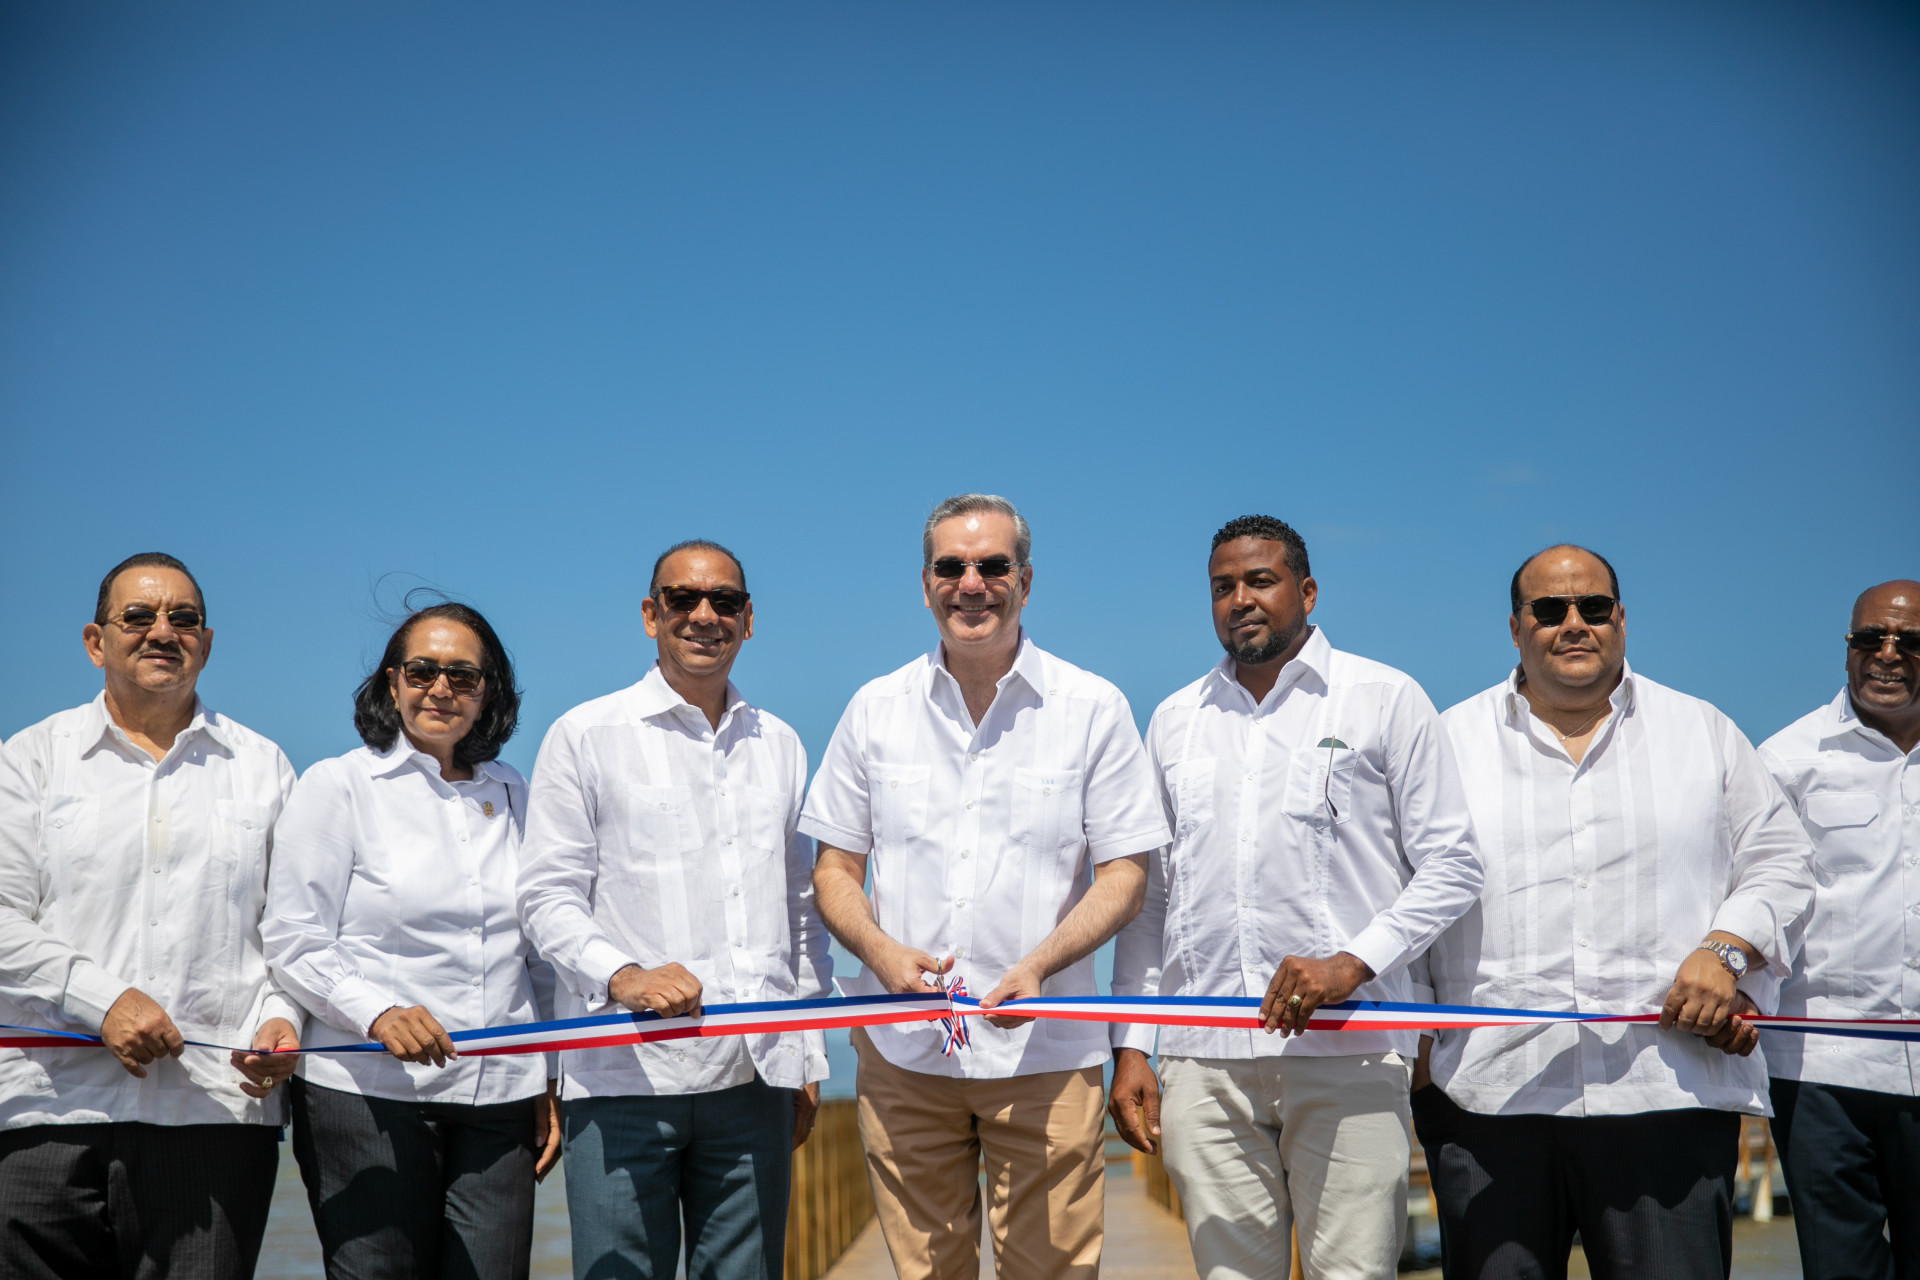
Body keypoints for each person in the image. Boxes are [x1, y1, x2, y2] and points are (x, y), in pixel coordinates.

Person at [1417, 544, 1815, 1280]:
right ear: (1515, 627)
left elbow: (1783, 862)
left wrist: (1727, 951)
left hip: (1668, 1093)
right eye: (1549, 610)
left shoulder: (1703, 732)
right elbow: (1405, 898)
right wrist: (1412, 1066)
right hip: (1487, 1101)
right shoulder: (1444, 744)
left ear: (1621, 619)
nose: (1574, 623)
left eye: (1593, 607)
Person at [1108, 514, 1485, 1280]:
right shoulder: (1175, 720)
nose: (1240, 599)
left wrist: (1351, 964)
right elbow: (1152, 902)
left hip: (1350, 1049)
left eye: (1261, 580)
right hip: (1203, 1061)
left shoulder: (1384, 698)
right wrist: (1132, 1046)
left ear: (1307, 592)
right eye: (1223, 587)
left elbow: (1453, 865)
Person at [804, 493, 1170, 1280]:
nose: (971, 584)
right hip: (903, 1053)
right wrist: (879, 952)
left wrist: (1039, 964)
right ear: (925, 584)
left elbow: (1125, 877)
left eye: (993, 565)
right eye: (951, 567)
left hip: (1047, 1052)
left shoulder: (1094, 708)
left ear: (1025, 581)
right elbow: (833, 870)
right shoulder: (872, 710)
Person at [517, 540, 830, 1280]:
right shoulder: (585, 735)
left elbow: (801, 907)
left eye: (725, 600)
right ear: (650, 614)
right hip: (622, 1075)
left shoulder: (781, 744)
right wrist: (622, 975)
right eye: (683, 598)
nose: (704, 614)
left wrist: (806, 1050)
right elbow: (545, 894)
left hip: (754, 1078)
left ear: (748, 619)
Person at [0, 552, 303, 1279]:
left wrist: (281, 1016)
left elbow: (294, 930)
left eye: (183, 618)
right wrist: (102, 1000)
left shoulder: (264, 767)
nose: (163, 631)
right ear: (95, 641)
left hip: (215, 1113)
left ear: (206, 641)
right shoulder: (30, 759)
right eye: (138, 616)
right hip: (47, 1109)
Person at [262, 601, 560, 1279]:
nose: (441, 688)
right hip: (367, 1093)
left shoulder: (515, 791)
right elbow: (293, 937)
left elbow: (539, 953)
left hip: (500, 1094)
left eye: (464, 676)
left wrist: (549, 1073)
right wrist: (378, 1013)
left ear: (489, 693)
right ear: (392, 682)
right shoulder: (338, 785)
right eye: (422, 671)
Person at [1758, 579, 1920, 1280]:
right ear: (1848, 646)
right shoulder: (1785, 760)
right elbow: (1756, 895)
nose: (1887, 654)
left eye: (1910, 641)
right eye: (1869, 638)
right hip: (1819, 1069)